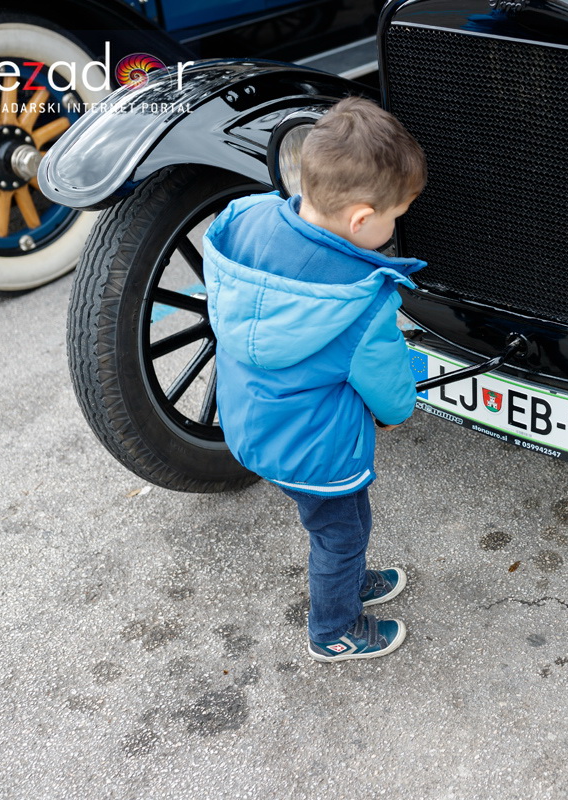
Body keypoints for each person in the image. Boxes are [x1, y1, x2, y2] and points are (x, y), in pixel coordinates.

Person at [203, 95, 427, 661]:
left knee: (339, 524)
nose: (396, 226)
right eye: (395, 217)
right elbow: (390, 389)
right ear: (360, 220)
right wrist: (401, 411)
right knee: (339, 532)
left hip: (255, 423)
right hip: (314, 448)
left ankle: (348, 578)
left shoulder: (249, 223)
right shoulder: (359, 301)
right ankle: (333, 630)